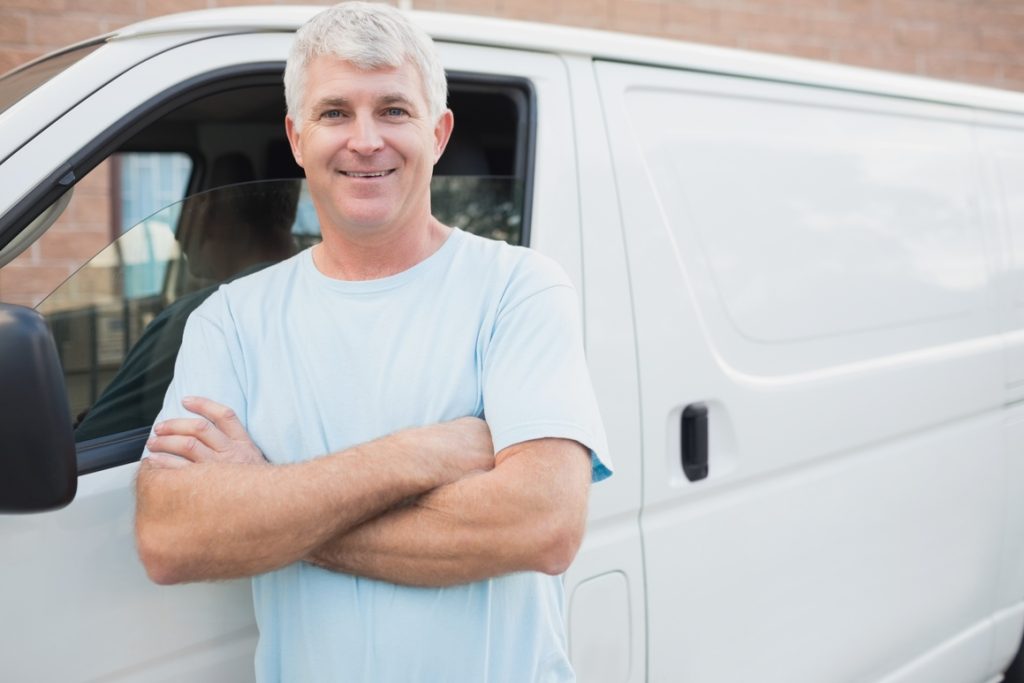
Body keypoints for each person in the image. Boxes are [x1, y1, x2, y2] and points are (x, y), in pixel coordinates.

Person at [134, 3, 612, 681]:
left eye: (393, 110)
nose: (365, 140)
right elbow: (171, 538)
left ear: (438, 132)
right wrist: (421, 451)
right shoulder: (232, 319)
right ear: (298, 137)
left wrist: (267, 506)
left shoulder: (518, 289)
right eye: (335, 113)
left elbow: (544, 524)